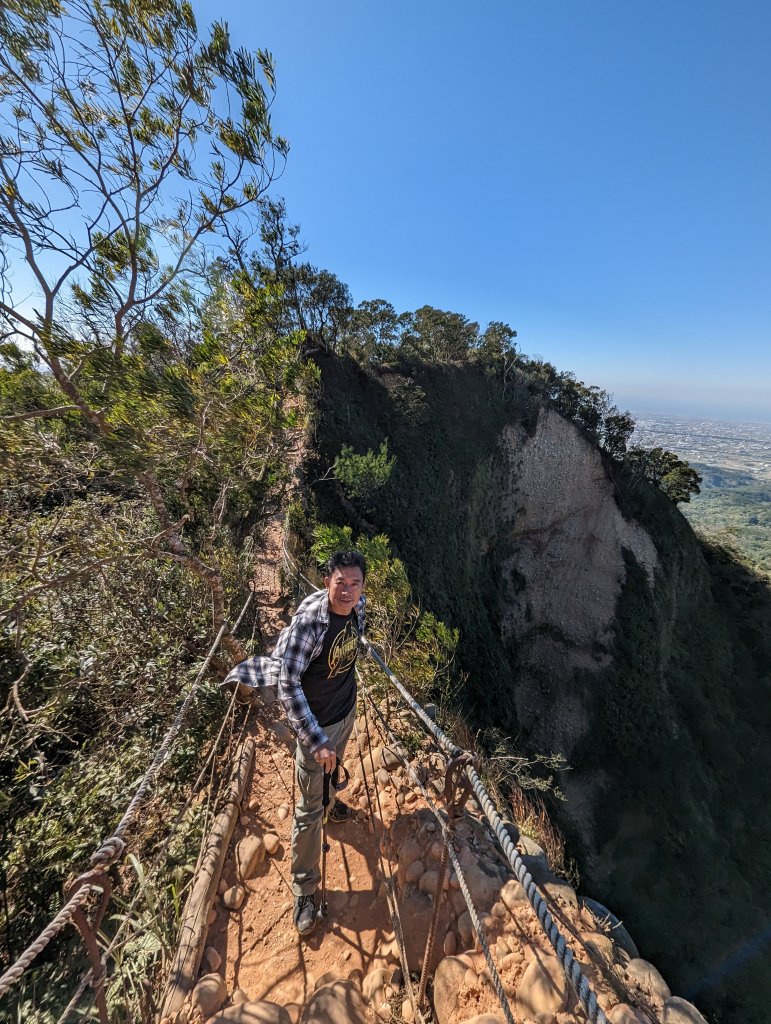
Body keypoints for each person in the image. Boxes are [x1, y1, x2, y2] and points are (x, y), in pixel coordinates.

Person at [223, 549, 367, 935]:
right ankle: (304, 889)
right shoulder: (309, 627)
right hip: (316, 727)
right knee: (307, 810)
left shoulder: (358, 608)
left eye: (355, 584)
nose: (347, 591)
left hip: (344, 712)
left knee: (331, 774)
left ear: (362, 587)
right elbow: (287, 685)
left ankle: (330, 804)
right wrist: (316, 740)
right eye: (340, 583)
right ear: (327, 581)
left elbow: (351, 648)